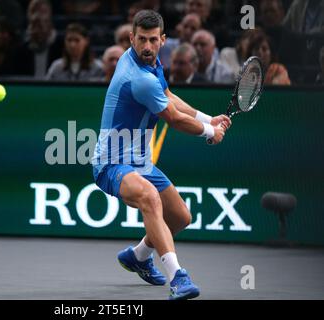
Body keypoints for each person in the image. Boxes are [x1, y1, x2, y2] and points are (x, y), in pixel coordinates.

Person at [91, 10, 230, 300]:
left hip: (140, 162)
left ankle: (138, 256)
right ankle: (178, 277)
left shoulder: (152, 66)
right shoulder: (138, 77)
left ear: (163, 40)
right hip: (111, 163)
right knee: (150, 199)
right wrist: (208, 132)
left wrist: (208, 119)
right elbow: (174, 119)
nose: (147, 46)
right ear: (131, 38)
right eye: (141, 39)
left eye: (153, 40)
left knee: (180, 217)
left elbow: (169, 96)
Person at [20, 0, 63, 79]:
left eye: (42, 11)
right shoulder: (21, 49)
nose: (37, 16)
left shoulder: (62, 46)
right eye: (33, 11)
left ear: (50, 16)